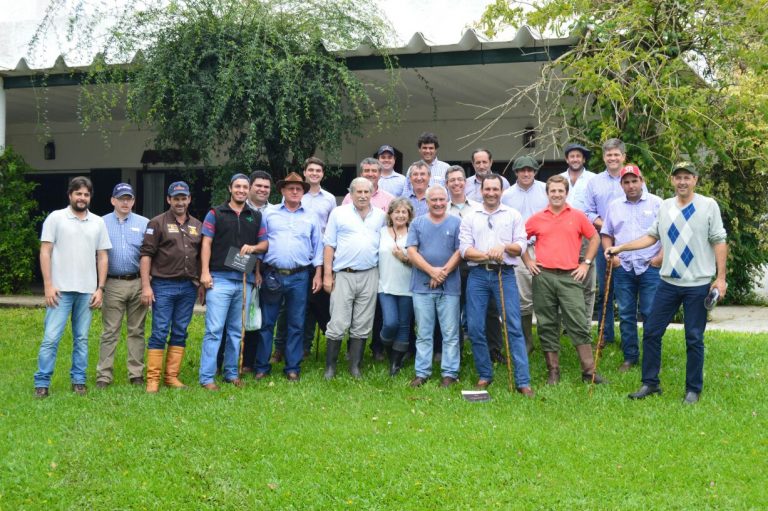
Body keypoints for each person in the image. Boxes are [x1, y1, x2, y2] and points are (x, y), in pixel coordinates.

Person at [607, 162, 727, 404]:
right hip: (668, 282)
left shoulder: (708, 205)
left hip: (697, 284)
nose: (682, 182)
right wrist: (620, 247)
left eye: (687, 177)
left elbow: (719, 240)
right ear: (672, 181)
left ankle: (693, 389)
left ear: (695, 179)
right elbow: (651, 237)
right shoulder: (665, 207)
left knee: (694, 337)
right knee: (651, 332)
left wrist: (721, 278)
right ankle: (650, 384)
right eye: (678, 177)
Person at [34, 176, 111, 398]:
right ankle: (42, 383)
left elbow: (102, 256)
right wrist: (48, 285)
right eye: (78, 193)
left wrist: (100, 288)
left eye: (86, 194)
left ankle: (78, 381)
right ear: (70, 195)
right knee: (51, 338)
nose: (82, 198)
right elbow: (45, 251)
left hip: (87, 291)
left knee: (82, 339)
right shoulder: (56, 218)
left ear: (90, 197)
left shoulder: (98, 222)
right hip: (60, 290)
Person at [524, 175, 606, 385]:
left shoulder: (577, 216)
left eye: (561, 191)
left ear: (566, 193)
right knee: (547, 323)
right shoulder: (537, 218)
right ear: (547, 193)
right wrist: (528, 261)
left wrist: (586, 263)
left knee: (578, 321)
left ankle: (589, 371)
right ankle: (553, 372)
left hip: (570, 276)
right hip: (543, 276)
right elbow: (518, 238)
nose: (557, 194)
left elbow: (595, 238)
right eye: (553, 191)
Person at [460, 174, 533, 394]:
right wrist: (486, 255)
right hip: (479, 276)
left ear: (501, 191)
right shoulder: (470, 216)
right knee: (474, 326)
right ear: (481, 191)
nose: (491, 193)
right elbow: (464, 249)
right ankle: (485, 374)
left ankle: (522, 381)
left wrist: (503, 248)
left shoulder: (513, 215)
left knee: (513, 326)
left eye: (495, 189)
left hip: (505, 274)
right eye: (487, 189)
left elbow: (520, 246)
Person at [198, 174, 267, 390]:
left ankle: (230, 373)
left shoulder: (255, 216)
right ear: (230, 188)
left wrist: (253, 248)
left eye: (245, 187)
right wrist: (205, 273)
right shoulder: (215, 213)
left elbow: (264, 244)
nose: (241, 190)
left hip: (243, 281)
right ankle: (207, 377)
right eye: (237, 186)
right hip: (219, 279)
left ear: (249, 191)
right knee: (214, 329)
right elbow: (206, 244)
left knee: (237, 330)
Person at [254, 172, 323, 382]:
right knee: (267, 322)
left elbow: (318, 246)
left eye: (299, 189)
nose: (294, 191)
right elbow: (261, 242)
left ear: (303, 192)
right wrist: (257, 271)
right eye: (290, 188)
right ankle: (262, 367)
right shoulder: (269, 213)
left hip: (300, 276)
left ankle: (292, 367)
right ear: (282, 190)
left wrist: (318, 274)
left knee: (296, 323)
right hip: (272, 274)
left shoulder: (311, 216)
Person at [140, 181, 203, 393]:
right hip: (163, 285)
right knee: (159, 331)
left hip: (188, 287)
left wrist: (201, 283)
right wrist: (146, 285)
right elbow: (146, 255)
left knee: (180, 331)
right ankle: (153, 379)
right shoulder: (156, 223)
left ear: (189, 199)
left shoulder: (197, 224)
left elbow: (201, 256)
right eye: (176, 198)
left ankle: (171, 377)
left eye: (183, 198)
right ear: (169, 200)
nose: (180, 202)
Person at [272, 157, 335, 363]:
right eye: (311, 170)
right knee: (285, 308)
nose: (315, 173)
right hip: (294, 259)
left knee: (310, 306)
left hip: (317, 258)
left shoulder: (329, 199)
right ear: (305, 172)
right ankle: (280, 347)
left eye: (319, 170)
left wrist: (323, 268)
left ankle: (304, 347)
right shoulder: (295, 194)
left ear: (322, 174)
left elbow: (330, 229)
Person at [322, 177, 386, 379]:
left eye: (366, 192)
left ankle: (355, 366)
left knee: (363, 322)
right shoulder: (339, 213)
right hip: (344, 274)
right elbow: (329, 245)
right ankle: (330, 367)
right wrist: (326, 275)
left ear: (372, 193)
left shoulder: (381, 216)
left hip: (370, 273)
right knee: (338, 321)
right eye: (358, 192)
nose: (362, 196)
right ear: (350, 193)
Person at [600, 165, 662, 371]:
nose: (631, 185)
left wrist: (660, 257)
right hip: (623, 266)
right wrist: (611, 256)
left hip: (649, 266)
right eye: (626, 182)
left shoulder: (657, 204)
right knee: (626, 314)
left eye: (634, 181)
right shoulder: (614, 206)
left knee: (650, 313)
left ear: (642, 181)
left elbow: (669, 234)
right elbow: (606, 233)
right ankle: (630, 356)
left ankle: (651, 357)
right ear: (621, 185)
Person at [406, 186, 462, 388]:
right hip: (421, 286)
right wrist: (432, 272)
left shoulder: (457, 223)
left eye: (441, 199)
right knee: (423, 332)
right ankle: (422, 372)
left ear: (447, 200)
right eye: (434, 200)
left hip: (450, 287)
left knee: (450, 333)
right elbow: (411, 251)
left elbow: (460, 251)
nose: (438, 203)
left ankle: (450, 373)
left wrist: (442, 274)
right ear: (426, 202)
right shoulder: (417, 223)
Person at [95, 183, 149, 389]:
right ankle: (104, 375)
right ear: (113, 201)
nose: (125, 202)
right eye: (121, 198)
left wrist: (147, 284)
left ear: (134, 201)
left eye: (129, 199)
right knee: (110, 330)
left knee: (137, 330)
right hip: (113, 282)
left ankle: (136, 373)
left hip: (137, 281)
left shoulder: (145, 223)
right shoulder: (101, 223)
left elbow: (149, 254)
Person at [585, 138, 631, 345]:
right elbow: (587, 211)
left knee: (626, 291)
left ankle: (628, 337)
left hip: (629, 245)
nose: (612, 158)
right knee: (605, 290)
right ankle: (606, 334)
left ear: (623, 156)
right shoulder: (594, 182)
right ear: (604, 157)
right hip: (604, 244)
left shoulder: (633, 179)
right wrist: (606, 226)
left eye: (616, 154)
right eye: (608, 155)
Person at [501, 155, 548, 354]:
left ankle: (548, 342)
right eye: (522, 170)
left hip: (545, 246)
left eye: (530, 170)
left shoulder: (546, 189)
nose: (526, 173)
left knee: (546, 294)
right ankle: (527, 341)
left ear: (535, 171)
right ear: (516, 172)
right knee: (523, 297)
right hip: (519, 250)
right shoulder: (507, 195)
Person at [560, 142, 599, 333]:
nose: (575, 159)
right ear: (567, 159)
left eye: (578, 156)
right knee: (562, 281)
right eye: (571, 156)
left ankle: (584, 327)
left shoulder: (593, 180)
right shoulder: (558, 179)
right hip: (561, 236)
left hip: (586, 235)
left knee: (587, 282)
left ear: (583, 159)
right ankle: (565, 325)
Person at [239, 170, 273, 374]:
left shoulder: (275, 210)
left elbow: (265, 243)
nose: (262, 189)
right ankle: (228, 360)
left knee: (256, 314)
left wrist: (258, 270)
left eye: (266, 187)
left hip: (266, 269)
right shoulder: (239, 207)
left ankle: (250, 361)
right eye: (258, 185)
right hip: (241, 264)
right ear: (250, 187)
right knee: (238, 314)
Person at [377, 198, 415, 376]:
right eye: (397, 212)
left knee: (404, 326)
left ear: (409, 216)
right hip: (385, 286)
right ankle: (388, 349)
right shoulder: (382, 232)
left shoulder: (414, 233)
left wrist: (404, 258)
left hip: (408, 287)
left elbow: (419, 261)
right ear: (390, 215)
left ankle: (395, 363)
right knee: (391, 323)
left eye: (404, 212)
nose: (400, 215)